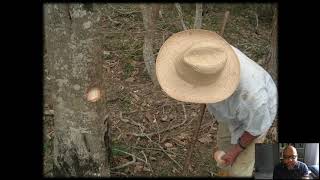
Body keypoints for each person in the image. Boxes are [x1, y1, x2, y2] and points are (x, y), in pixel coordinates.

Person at [155, 29, 278, 177]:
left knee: (239, 171)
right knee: (224, 150)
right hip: (231, 112)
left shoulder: (254, 99)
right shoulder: (208, 55)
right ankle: (225, 170)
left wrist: (237, 150)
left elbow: (255, 129)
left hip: (253, 121)